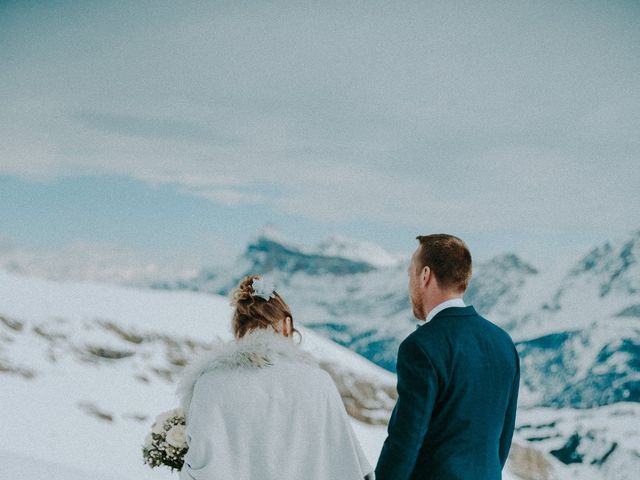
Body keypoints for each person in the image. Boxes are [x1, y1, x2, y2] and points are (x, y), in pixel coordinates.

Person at [176, 274, 374, 480]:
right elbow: (348, 461)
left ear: (237, 330)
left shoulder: (209, 384)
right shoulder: (319, 383)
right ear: (287, 325)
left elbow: (199, 466)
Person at [375, 234, 520, 480]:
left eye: (411, 274)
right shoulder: (503, 342)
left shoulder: (420, 347)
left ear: (425, 276)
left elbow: (406, 441)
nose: (410, 282)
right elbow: (502, 439)